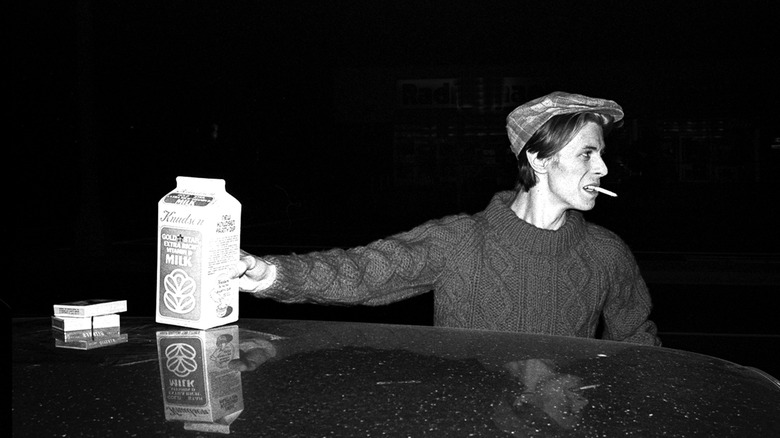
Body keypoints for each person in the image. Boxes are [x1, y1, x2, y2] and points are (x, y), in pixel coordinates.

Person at [231, 91, 660, 346]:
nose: (603, 167)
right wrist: (270, 274)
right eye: (588, 152)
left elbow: (638, 341)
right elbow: (363, 270)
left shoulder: (607, 253)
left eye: (601, 153)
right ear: (539, 157)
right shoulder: (460, 241)